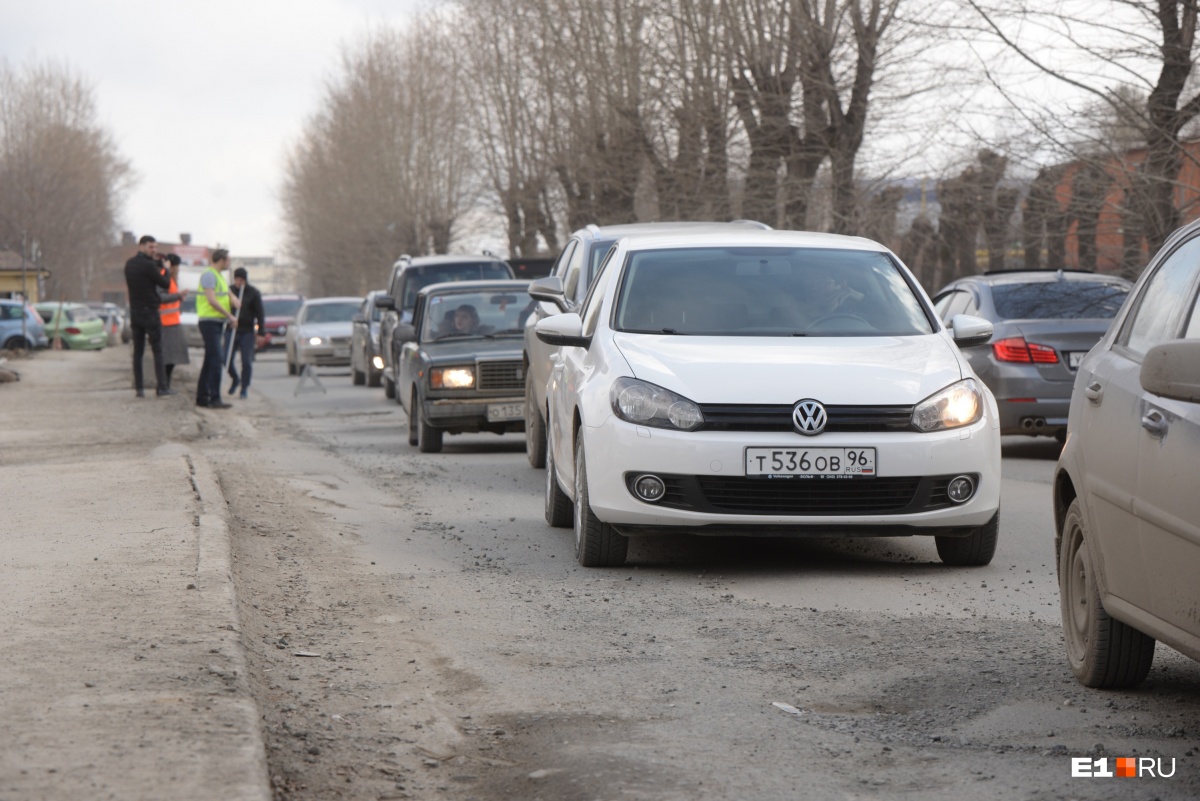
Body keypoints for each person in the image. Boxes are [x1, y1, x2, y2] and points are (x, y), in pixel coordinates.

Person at [123, 235, 175, 398]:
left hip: (135, 311)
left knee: (138, 351)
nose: (154, 250)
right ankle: (162, 387)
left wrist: (156, 266)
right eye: (151, 247)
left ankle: (139, 388)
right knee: (157, 350)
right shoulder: (149, 265)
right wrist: (165, 268)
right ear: (142, 246)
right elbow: (165, 284)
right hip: (150, 312)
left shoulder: (129, 264)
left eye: (155, 247)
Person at [195, 249, 239, 409]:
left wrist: (233, 297)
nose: (229, 263)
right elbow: (211, 300)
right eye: (228, 260)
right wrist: (230, 316)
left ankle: (202, 396)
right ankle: (214, 398)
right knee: (216, 359)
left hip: (216, 322)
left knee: (210, 359)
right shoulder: (209, 275)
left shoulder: (219, 276)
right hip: (209, 321)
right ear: (220, 260)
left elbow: (225, 291)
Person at [224, 267, 265, 399]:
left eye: (241, 280)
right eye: (236, 279)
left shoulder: (253, 293)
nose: (238, 282)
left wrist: (261, 333)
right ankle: (235, 378)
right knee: (226, 358)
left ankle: (244, 387)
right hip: (232, 329)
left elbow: (260, 314)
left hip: (247, 331)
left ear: (245, 280)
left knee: (246, 361)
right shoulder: (230, 291)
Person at [157, 254, 190, 391]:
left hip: (173, 322)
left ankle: (166, 385)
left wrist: (179, 299)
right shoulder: (163, 276)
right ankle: (163, 386)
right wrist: (178, 295)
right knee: (167, 358)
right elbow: (160, 297)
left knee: (172, 358)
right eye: (177, 267)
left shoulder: (171, 279)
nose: (178, 270)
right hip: (166, 323)